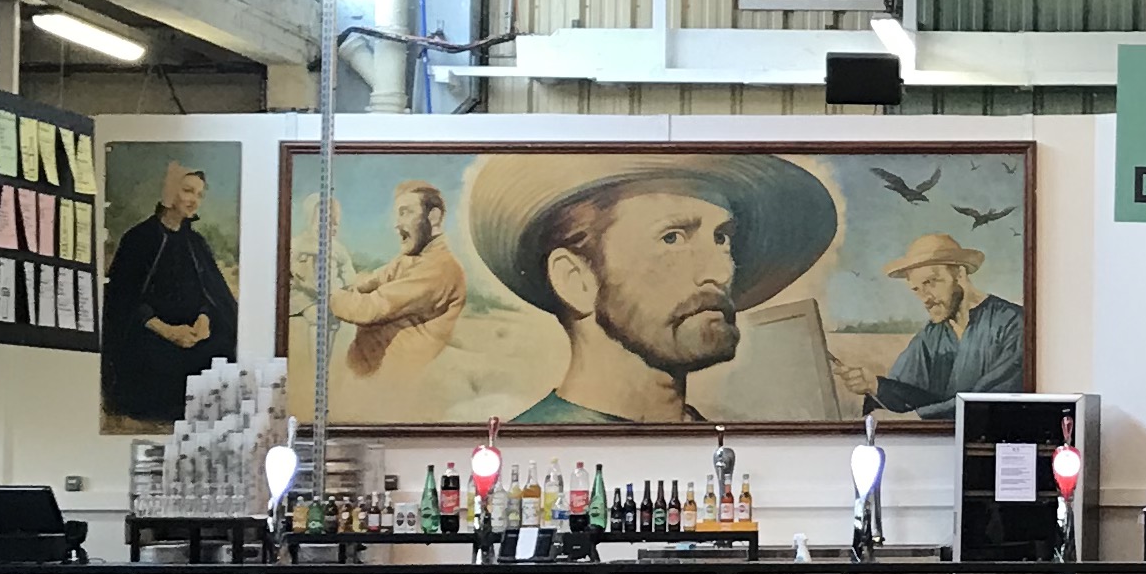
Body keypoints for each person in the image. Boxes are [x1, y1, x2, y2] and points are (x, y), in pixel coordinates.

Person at [463, 152, 841, 431]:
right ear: (575, 279)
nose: (722, 270)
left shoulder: (723, 444)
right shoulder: (536, 452)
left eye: (722, 238)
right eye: (672, 238)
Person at [101, 159, 236, 427]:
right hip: (151, 333)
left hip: (192, 334)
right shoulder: (138, 238)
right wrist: (167, 330)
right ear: (170, 191)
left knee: (224, 344)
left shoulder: (196, 242)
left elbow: (210, 293)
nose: (194, 200)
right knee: (156, 362)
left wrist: (204, 319)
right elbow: (123, 299)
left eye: (199, 194)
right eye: (187, 191)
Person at [323, 176, 467, 387]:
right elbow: (373, 280)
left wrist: (328, 293)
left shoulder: (439, 269)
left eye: (406, 212)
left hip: (391, 384)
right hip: (369, 374)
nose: (397, 224)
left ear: (434, 217)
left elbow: (369, 309)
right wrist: (349, 287)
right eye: (398, 214)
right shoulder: (414, 258)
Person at [870, 232, 1025, 416]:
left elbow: (987, 402)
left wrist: (917, 417)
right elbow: (906, 390)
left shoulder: (1012, 323)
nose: (925, 298)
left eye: (930, 282)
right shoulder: (930, 335)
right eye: (917, 289)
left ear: (959, 274)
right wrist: (874, 385)